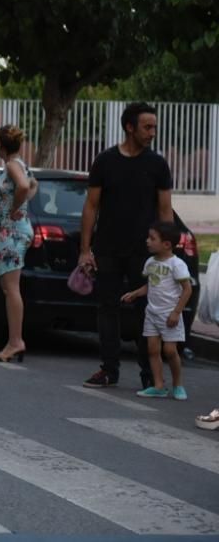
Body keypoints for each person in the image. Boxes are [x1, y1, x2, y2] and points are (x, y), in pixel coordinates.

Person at [80, 102, 173, 389]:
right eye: (147, 127)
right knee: (108, 308)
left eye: (154, 127)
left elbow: (165, 210)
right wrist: (85, 249)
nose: (152, 132)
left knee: (147, 311)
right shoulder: (106, 161)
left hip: (145, 253)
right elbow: (91, 206)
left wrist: (167, 252)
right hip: (108, 248)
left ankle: (149, 375)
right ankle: (109, 369)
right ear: (129, 127)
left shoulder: (157, 165)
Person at [120, 222, 192, 400]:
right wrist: (135, 294)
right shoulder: (150, 262)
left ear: (166, 244)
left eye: (152, 238)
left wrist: (176, 312)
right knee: (152, 350)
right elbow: (151, 285)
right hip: (151, 313)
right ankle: (158, 385)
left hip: (169, 315)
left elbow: (187, 289)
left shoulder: (177, 264)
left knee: (170, 351)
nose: (147, 241)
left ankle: (178, 384)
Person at [0, 125, 38, 363]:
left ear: (1, 145)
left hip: (12, 231)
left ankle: (15, 341)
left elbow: (23, 186)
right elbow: (33, 184)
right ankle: (14, 341)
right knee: (10, 287)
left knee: (11, 289)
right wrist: (21, 204)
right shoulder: (21, 163)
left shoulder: (12, 165)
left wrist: (13, 208)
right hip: (16, 229)